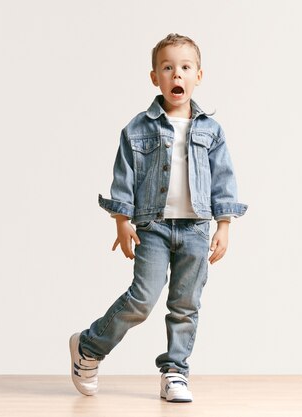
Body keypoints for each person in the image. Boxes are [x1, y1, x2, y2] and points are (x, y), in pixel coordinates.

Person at [69, 33, 247, 403]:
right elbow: (124, 176)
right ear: (155, 77)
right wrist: (122, 220)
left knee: (186, 305)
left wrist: (224, 225)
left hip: (196, 229)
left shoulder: (211, 131)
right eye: (167, 68)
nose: (176, 74)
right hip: (153, 228)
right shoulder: (137, 129)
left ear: (199, 75)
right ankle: (89, 346)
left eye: (184, 67)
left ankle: (175, 372)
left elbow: (223, 179)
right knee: (142, 299)